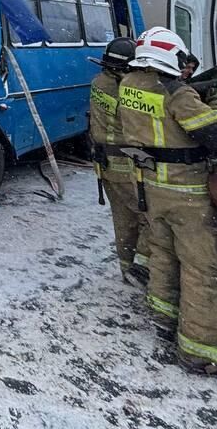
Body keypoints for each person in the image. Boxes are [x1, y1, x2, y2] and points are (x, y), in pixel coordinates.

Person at [117, 27, 217, 379]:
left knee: (163, 253)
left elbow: (164, 100)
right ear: (172, 57)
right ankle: (203, 351)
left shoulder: (130, 82)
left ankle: (164, 315)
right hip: (186, 191)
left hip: (149, 186)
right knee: (204, 268)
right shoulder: (177, 95)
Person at [87, 38, 149, 285]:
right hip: (126, 163)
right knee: (149, 217)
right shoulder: (125, 90)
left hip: (104, 163)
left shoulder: (98, 82)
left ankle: (126, 267)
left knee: (123, 220)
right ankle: (142, 268)